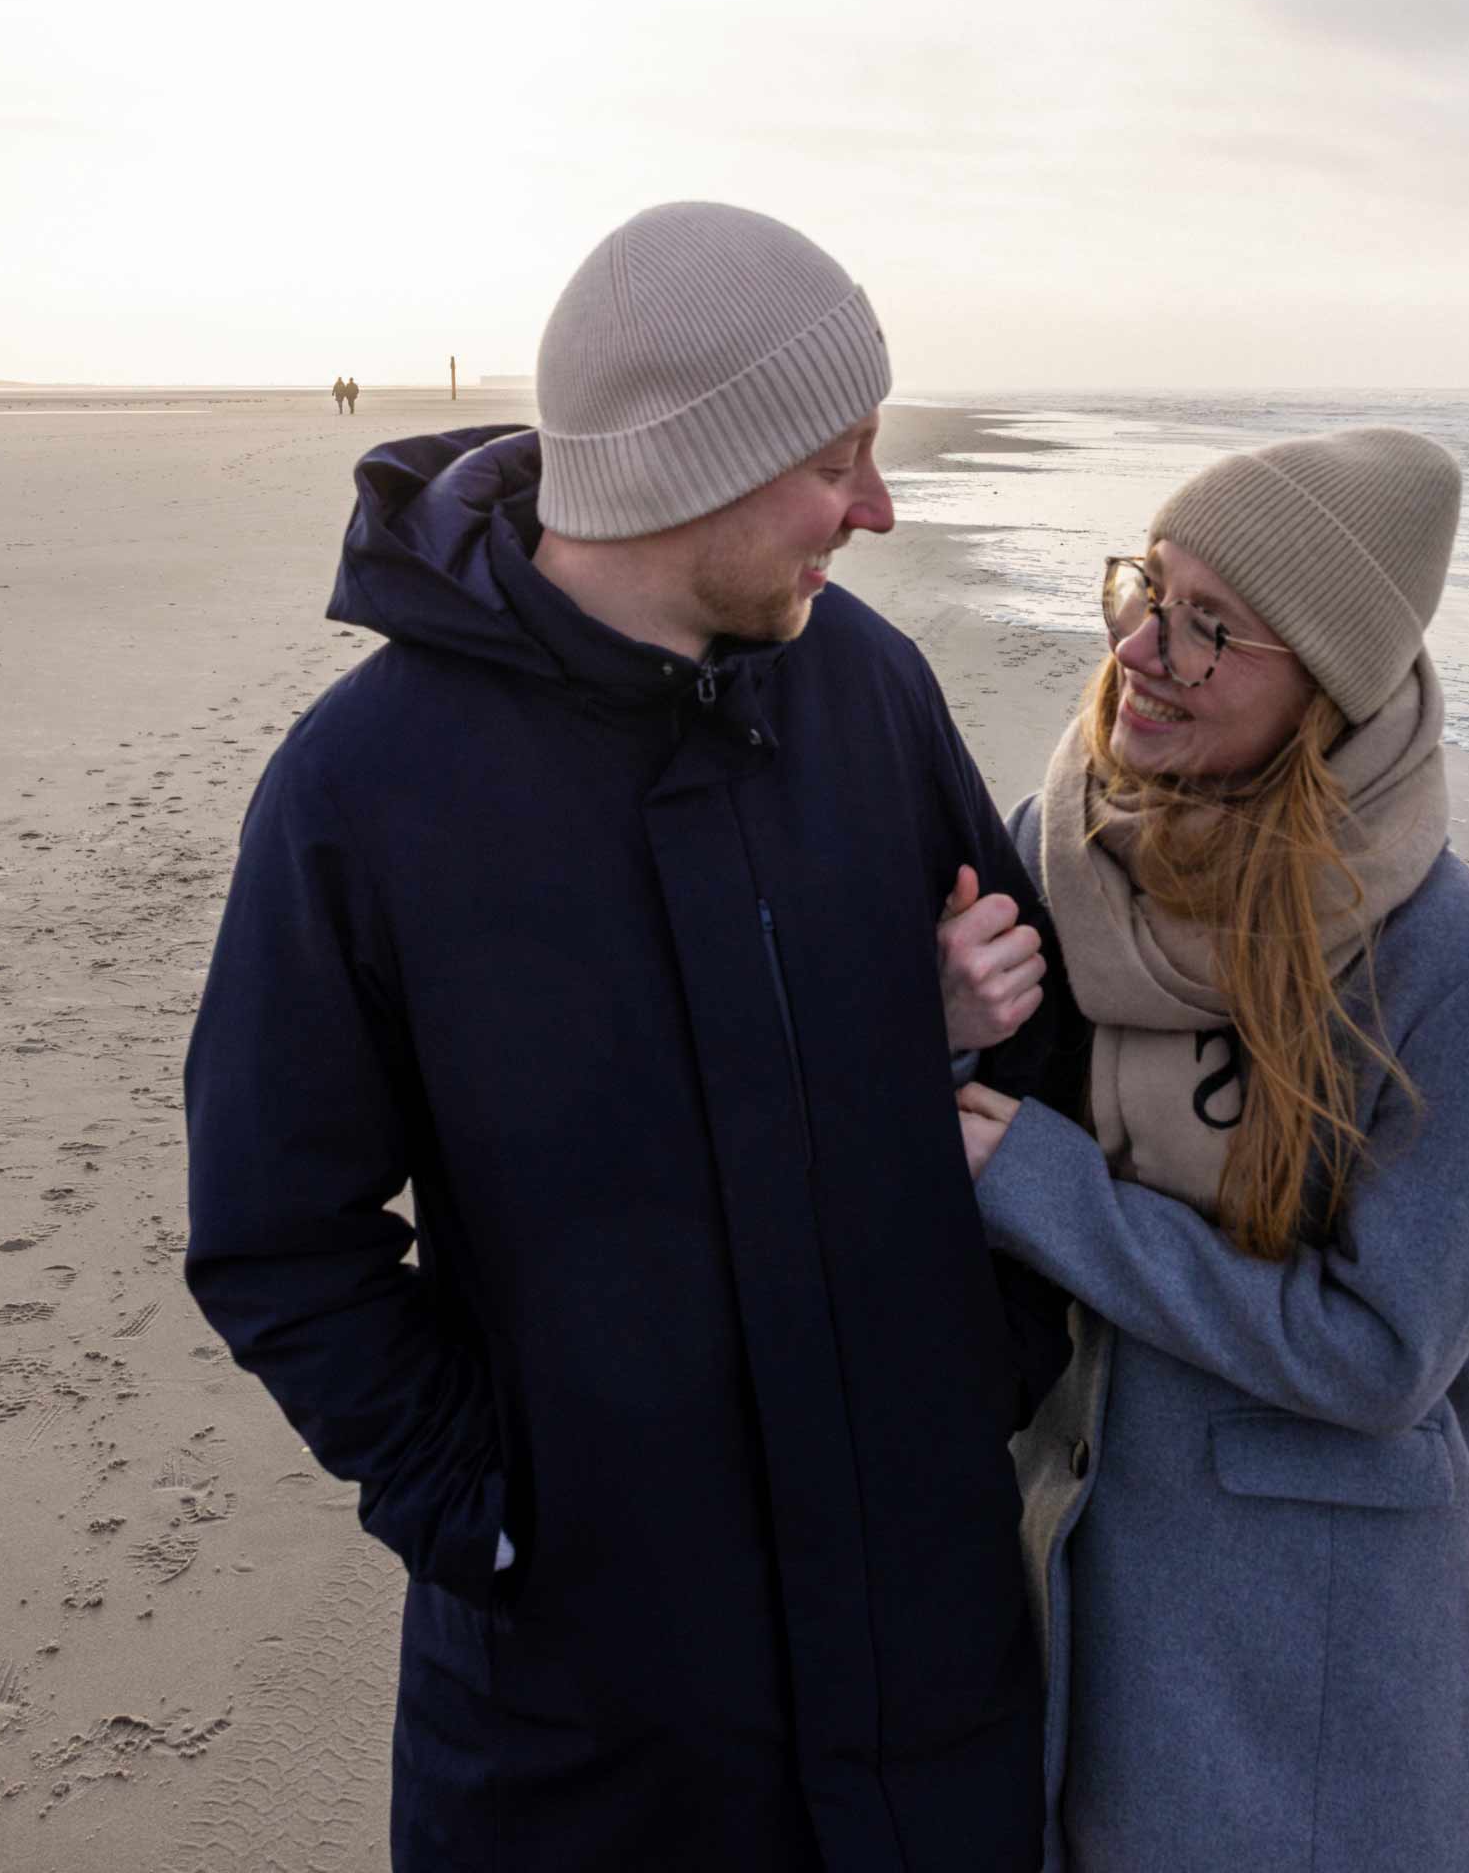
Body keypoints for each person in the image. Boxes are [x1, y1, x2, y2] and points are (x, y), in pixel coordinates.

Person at [187, 200, 1081, 1870]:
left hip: (920, 1666)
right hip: (591, 1723)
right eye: (838, 462)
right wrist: (493, 1518)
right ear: (692, 470)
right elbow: (276, 1234)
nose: (878, 510)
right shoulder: (366, 788)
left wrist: (985, 1369)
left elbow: (1041, 1039)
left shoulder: (868, 689)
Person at [935, 426, 1469, 1873]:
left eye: (1213, 629)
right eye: (1151, 590)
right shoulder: (1058, 852)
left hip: (1302, 1622)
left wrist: (1051, 1194)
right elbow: (946, 1136)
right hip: (1058, 1533)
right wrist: (942, 1025)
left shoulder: (1465, 971)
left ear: (1327, 688)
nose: (1143, 651)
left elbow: (1382, 1358)